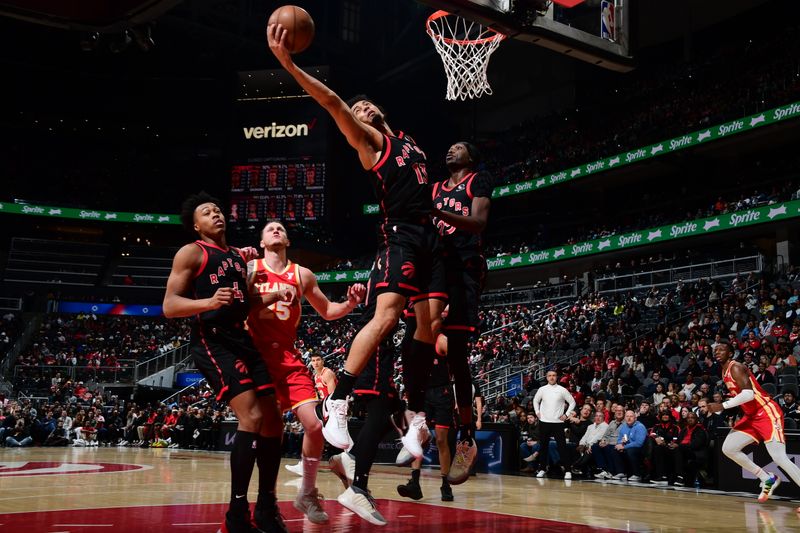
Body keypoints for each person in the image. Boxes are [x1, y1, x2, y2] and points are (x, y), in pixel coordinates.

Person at [268, 22, 446, 525]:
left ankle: (411, 417)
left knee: (427, 329)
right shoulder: (371, 143)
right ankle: (340, 401)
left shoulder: (411, 143)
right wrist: (289, 65)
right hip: (401, 240)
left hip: (427, 239)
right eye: (357, 109)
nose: (361, 110)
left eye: (367, 106)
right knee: (387, 318)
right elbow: (333, 105)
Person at [162, 192, 285, 533]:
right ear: (195, 225)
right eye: (207, 212)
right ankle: (236, 514)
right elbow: (170, 306)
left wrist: (267, 296)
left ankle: (265, 506)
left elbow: (242, 303)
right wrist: (208, 301)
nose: (215, 214)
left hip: (241, 338)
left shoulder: (235, 256)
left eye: (217, 210)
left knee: (273, 420)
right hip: (212, 339)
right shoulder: (191, 253)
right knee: (253, 416)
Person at [246, 220, 365, 524]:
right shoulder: (250, 267)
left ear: (287, 240)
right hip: (254, 357)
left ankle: (307, 491)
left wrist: (350, 303)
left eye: (280, 229)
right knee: (263, 433)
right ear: (261, 242)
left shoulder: (302, 274)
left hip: (287, 358)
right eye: (269, 229)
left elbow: (327, 311)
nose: (276, 231)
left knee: (314, 426)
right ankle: (263, 500)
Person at [429, 141, 493, 483]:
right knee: (417, 343)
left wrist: (437, 213)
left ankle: (466, 433)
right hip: (436, 269)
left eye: (458, 147)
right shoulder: (436, 187)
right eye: (448, 147)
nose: (450, 151)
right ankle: (412, 424)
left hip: (465, 269)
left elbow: (478, 222)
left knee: (457, 355)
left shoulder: (478, 181)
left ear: (471, 156)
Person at [709, 341, 800, 504]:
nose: (717, 352)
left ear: (730, 353)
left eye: (722, 349)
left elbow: (749, 394)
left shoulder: (735, 367)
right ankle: (767, 478)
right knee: (729, 448)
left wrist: (722, 405)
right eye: (715, 350)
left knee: (779, 457)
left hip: (766, 412)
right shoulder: (723, 371)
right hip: (751, 416)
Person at [396, 339, 456, 502]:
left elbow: (458, 365)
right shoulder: (416, 339)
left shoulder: (442, 340)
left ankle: (445, 484)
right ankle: (414, 483)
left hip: (442, 392)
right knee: (417, 438)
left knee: (441, 440)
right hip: (421, 393)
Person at [532, 370, 576, 479]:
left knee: (562, 447)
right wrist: (537, 412)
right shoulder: (542, 389)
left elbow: (572, 402)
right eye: (550, 376)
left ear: (557, 377)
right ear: (547, 377)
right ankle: (542, 469)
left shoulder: (562, 390)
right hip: (544, 422)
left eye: (554, 375)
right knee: (543, 447)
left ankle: (568, 471)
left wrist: (566, 415)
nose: (552, 377)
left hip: (558, 423)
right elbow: (535, 401)